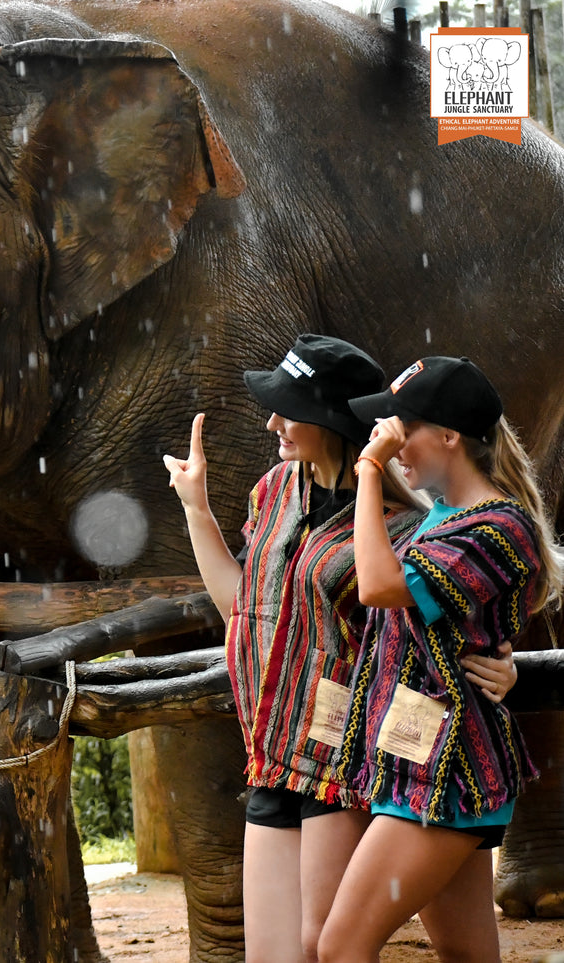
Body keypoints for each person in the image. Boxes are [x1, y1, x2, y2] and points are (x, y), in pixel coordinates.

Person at [163, 335, 516, 963]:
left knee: (331, 945)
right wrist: (197, 511)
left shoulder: (403, 522)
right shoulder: (274, 490)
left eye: (286, 408)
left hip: (347, 757)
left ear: (327, 418)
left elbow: (426, 614)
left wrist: (500, 659)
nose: (271, 421)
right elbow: (243, 610)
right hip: (273, 746)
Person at [318, 357, 561, 963]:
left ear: (449, 437)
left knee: (340, 946)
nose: (390, 442)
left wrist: (369, 468)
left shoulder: (501, 527)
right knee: (466, 954)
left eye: (402, 429)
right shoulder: (441, 517)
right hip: (419, 770)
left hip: (449, 775)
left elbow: (378, 586)